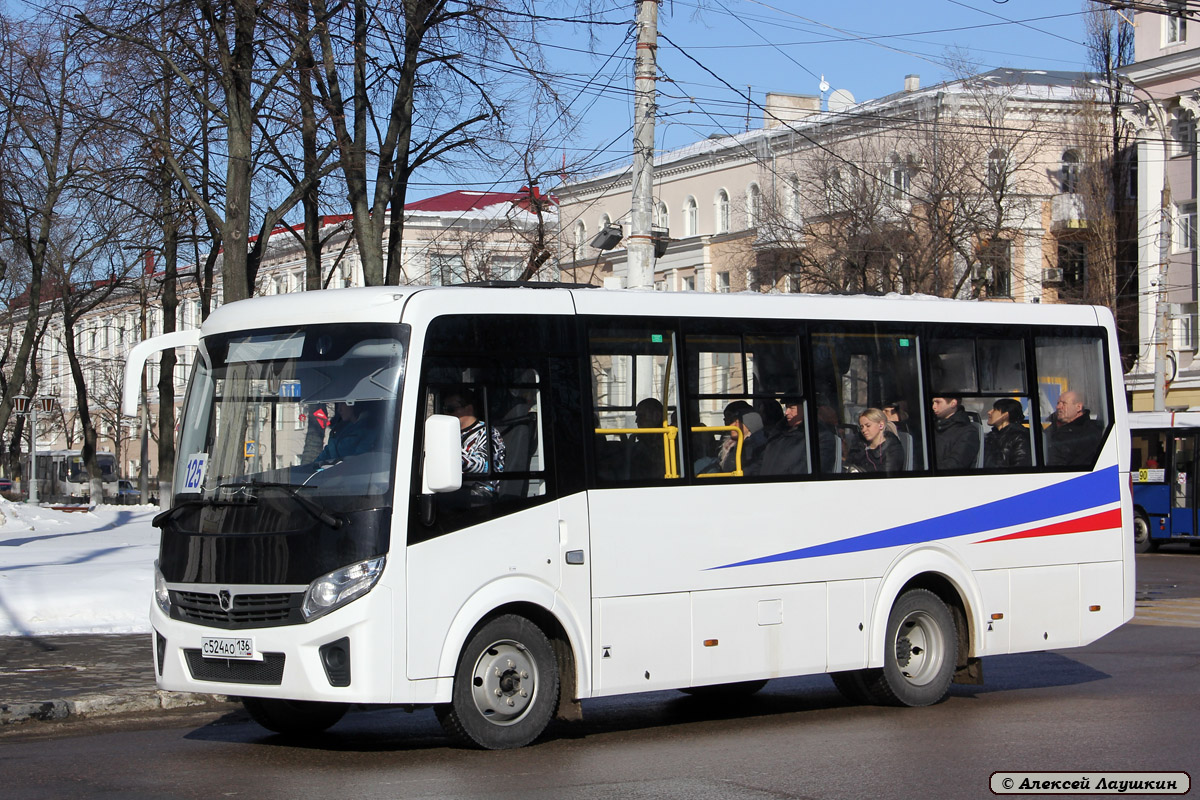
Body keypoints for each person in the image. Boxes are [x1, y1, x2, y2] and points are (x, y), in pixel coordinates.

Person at [443, 388, 505, 500]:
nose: (446, 413)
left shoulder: (488, 433)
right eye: (444, 409)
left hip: (483, 491)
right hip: (457, 487)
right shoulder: (451, 433)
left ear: (469, 409)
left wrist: (452, 459)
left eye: (450, 409)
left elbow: (484, 464)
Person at [1045, 390, 1103, 467]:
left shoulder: (1089, 433)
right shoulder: (1051, 429)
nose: (1058, 407)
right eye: (1058, 403)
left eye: (1064, 403)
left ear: (1078, 407)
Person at [845, 408, 905, 473]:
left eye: (868, 426)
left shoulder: (893, 448)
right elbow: (847, 465)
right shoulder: (859, 444)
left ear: (881, 425)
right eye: (861, 427)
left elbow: (887, 476)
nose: (863, 430)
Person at [717, 400, 767, 473]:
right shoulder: (730, 445)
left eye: (737, 422)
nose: (730, 426)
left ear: (749, 423)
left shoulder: (757, 447)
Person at [932, 394, 979, 470]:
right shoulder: (935, 426)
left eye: (938, 402)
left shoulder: (968, 432)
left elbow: (955, 464)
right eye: (933, 403)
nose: (934, 407)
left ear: (953, 403)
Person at [983, 398, 1032, 468]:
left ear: (1005, 415)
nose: (989, 412)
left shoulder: (1019, 437)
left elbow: (1021, 466)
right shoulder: (991, 436)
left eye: (994, 410)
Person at [629, 397, 669, 480]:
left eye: (641, 416)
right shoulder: (645, 440)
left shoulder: (668, 439)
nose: (636, 421)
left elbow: (656, 466)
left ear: (657, 416)